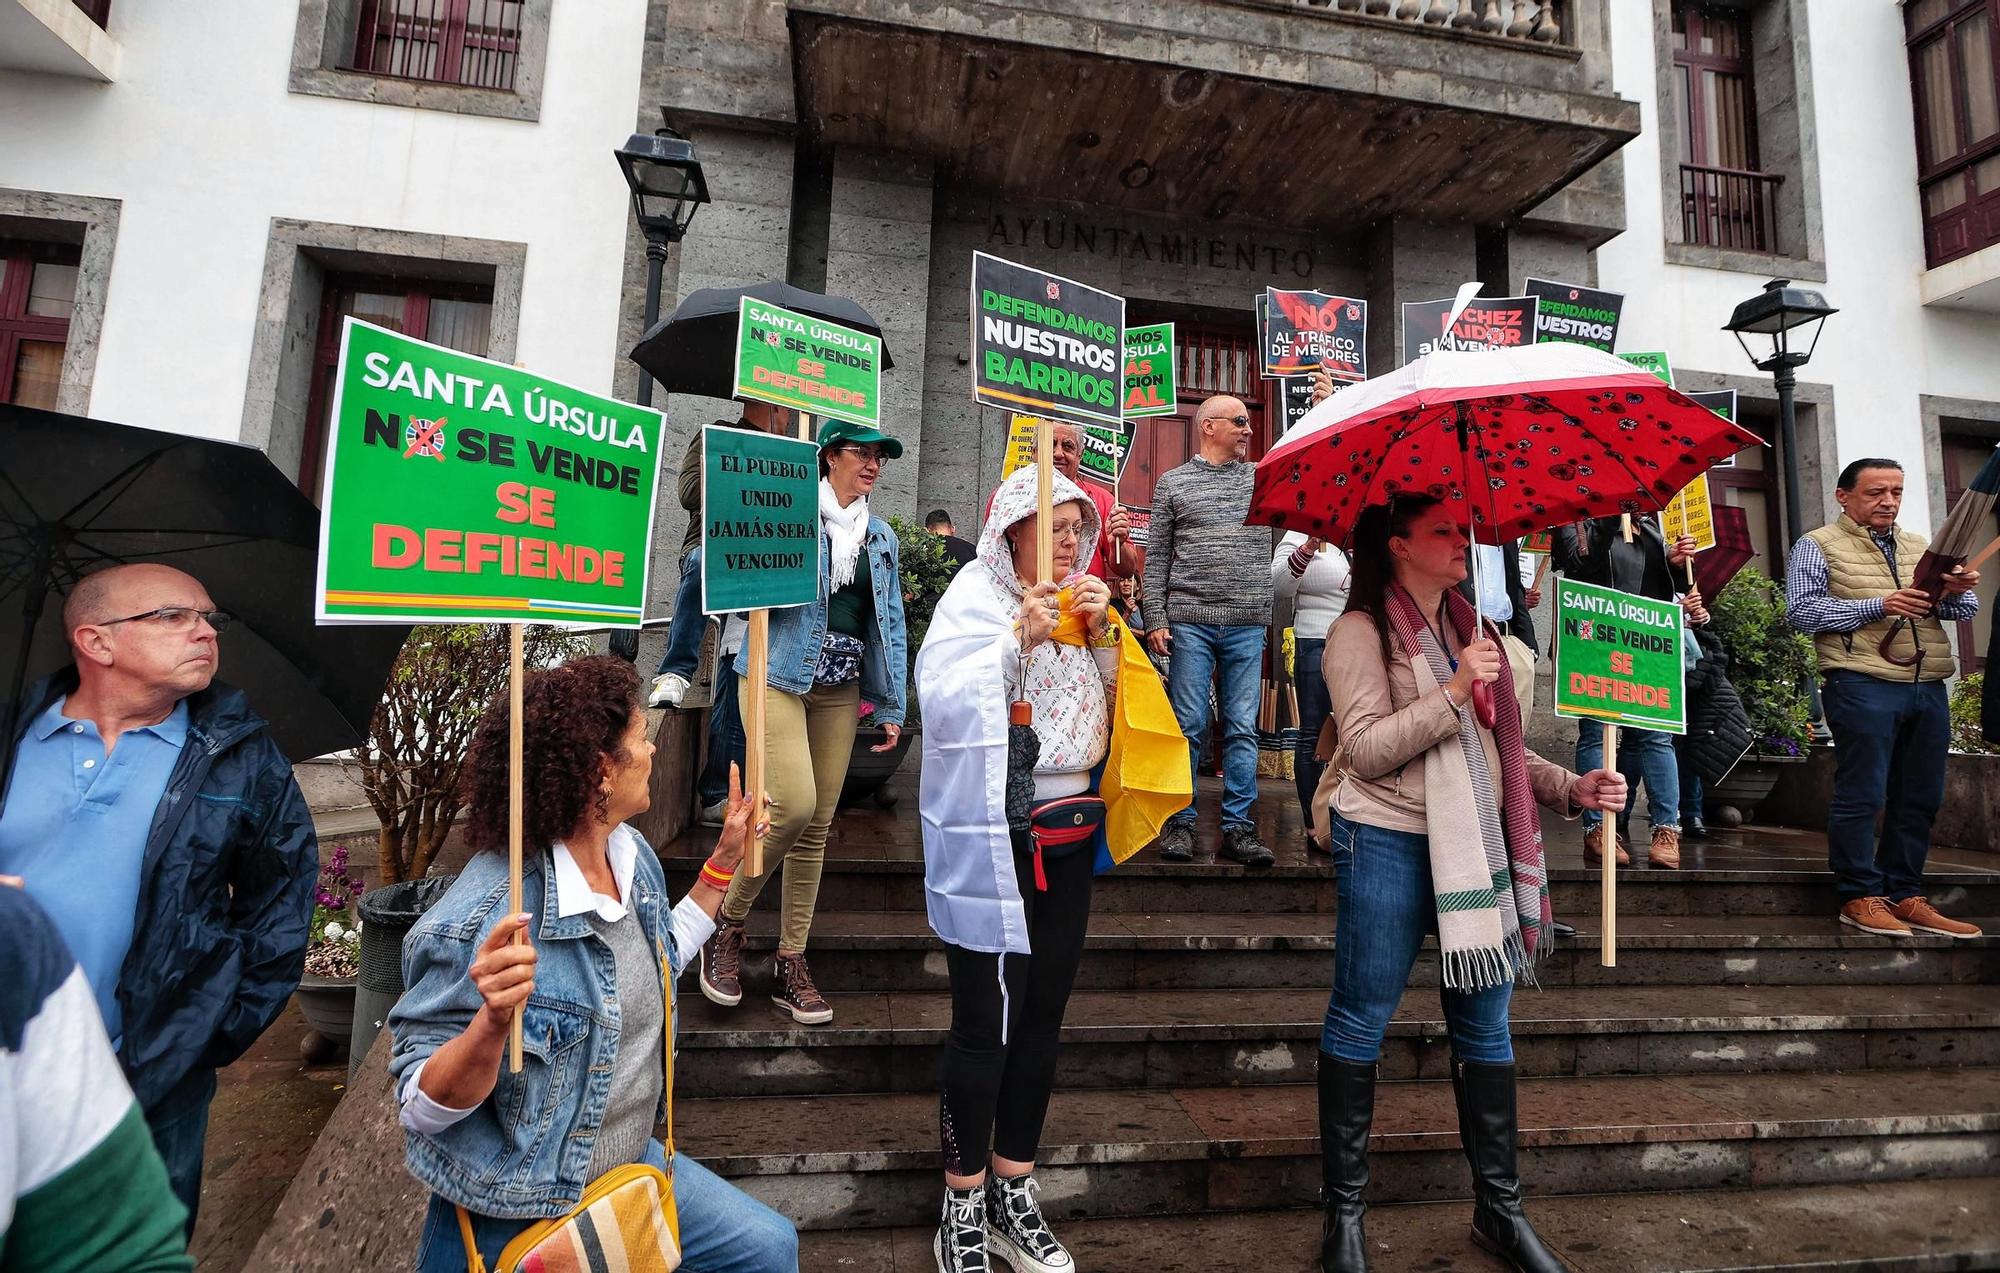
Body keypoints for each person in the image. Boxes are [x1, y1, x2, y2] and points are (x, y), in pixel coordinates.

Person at [386, 655, 798, 1272]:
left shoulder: (629, 856)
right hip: (525, 1203)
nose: (654, 751)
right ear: (601, 772)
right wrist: (491, 1025)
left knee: (768, 1248)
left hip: (629, 1171)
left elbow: (656, 962)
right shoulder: (487, 916)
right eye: (640, 738)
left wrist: (724, 860)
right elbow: (419, 1108)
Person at [1317, 495, 1626, 1273]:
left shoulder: (1477, 631)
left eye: (1463, 530)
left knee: (1486, 1030)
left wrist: (1571, 787)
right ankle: (1344, 1219)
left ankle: (1501, 1210)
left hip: (1478, 850)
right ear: (1397, 547)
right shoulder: (1358, 632)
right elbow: (1364, 749)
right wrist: (1451, 690)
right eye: (1443, 532)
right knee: (1360, 1021)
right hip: (1385, 835)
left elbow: (1498, 753)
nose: (1463, 542)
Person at [0, 563, 316, 1236]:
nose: (204, 631)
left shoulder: (240, 755)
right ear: (96, 641)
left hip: (148, 1076)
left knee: (131, 1248)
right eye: (173, 615)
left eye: (208, 617)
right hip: (8, 1058)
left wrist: (208, 1029)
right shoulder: (10, 736)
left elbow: (281, 901)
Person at [915, 466, 1125, 1273]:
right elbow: (942, 693)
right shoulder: (975, 596)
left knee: (1043, 1016)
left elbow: (1120, 710)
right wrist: (1013, 643)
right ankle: (961, 1201)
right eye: (1056, 524)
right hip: (993, 835)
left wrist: (1108, 638)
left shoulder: (1084, 602)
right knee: (984, 1022)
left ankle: (1013, 1189)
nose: (1072, 539)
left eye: (1080, 525)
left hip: (1071, 835)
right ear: (1011, 529)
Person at [698, 419, 910, 1024]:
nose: (871, 465)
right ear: (827, 458)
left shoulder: (882, 539)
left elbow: (886, 625)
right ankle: (728, 921)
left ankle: (792, 957)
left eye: (879, 457)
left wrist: (892, 701)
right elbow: (730, 580)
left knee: (817, 823)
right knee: (790, 806)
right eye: (860, 454)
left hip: (840, 688)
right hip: (775, 673)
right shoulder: (787, 516)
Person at [1786, 457, 1983, 938]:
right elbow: (1801, 612)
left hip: (1927, 681)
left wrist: (1959, 589)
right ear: (1843, 496)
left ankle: (1904, 893)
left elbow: (1963, 608)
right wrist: (1879, 604)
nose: (1888, 502)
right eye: (1876, 492)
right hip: (1860, 680)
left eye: (1896, 491)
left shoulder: (1922, 546)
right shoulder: (1817, 545)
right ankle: (1858, 895)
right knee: (1863, 793)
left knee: (1920, 796)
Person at [0, 884, 193, 1272]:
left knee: (165, 1191)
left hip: (163, 1049)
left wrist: (225, 1022)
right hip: (44, 1062)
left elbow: (118, 1252)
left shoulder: (12, 934)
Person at [1142, 395, 1276, 867]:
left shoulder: (1266, 477)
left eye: (1248, 421)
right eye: (1239, 422)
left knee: (1242, 729)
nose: (1247, 429)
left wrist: (1323, 404)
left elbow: (1304, 454)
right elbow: (1157, 558)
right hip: (1189, 622)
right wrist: (1155, 617)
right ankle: (1179, 822)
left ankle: (1239, 827)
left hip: (1246, 622)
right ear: (1208, 426)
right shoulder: (1173, 484)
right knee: (1187, 726)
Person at [1552, 517, 1708, 870]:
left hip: (1645, 648)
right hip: (1593, 641)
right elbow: (1578, 564)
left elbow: (1662, 593)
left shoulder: (1653, 530)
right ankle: (1597, 830)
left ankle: (1666, 830)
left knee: (1657, 737)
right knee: (1594, 735)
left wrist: (1675, 563)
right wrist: (1608, 523)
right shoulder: (1577, 520)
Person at [650, 400, 785, 708]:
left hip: (762, 557)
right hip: (714, 547)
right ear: (772, 407)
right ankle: (675, 671)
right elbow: (689, 493)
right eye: (787, 410)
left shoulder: (786, 452)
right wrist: (742, 470)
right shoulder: (715, 435)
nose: (790, 417)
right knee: (702, 563)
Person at [1271, 531, 1350, 855]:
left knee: (1352, 732)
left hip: (1356, 640)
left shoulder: (1353, 537)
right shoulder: (1299, 533)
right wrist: (1308, 548)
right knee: (1314, 732)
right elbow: (1279, 586)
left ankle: (1346, 814)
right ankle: (1314, 820)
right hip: (1315, 640)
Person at [1049, 422, 1145, 584]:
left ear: (1080, 454)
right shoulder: (1011, 496)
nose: (1058, 453)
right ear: (1034, 451)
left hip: (1085, 605)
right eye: (1051, 444)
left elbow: (1128, 570)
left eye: (1067, 446)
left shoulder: (1102, 500)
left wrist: (1117, 545)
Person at [1460, 539, 1541, 722]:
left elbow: (1514, 584)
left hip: (1508, 637)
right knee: (1472, 727)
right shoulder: (1457, 528)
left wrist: (1529, 646)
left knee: (1514, 728)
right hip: (1467, 635)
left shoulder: (1502, 531)